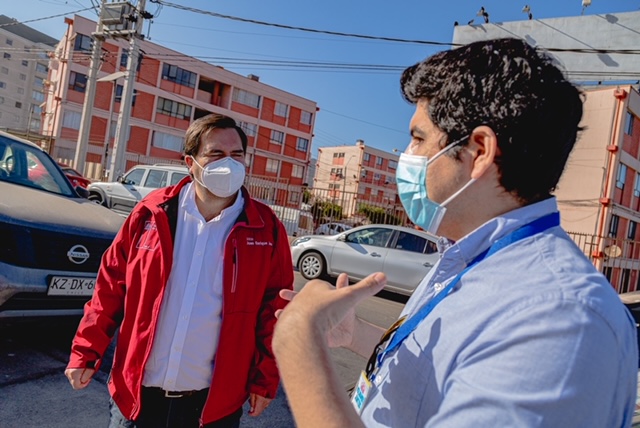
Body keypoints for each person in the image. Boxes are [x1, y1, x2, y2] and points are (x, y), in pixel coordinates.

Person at [272, 38, 639, 427]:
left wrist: (298, 343)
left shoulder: (558, 321)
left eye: (418, 138)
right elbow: (437, 373)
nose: (406, 156)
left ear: (479, 150)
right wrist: (356, 334)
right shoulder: (472, 256)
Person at [66, 113, 293, 428]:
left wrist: (264, 380)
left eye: (237, 155)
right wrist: (86, 350)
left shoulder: (266, 229)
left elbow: (276, 311)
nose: (228, 164)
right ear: (191, 162)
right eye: (216, 154)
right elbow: (111, 285)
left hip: (212, 406)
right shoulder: (151, 214)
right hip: (137, 397)